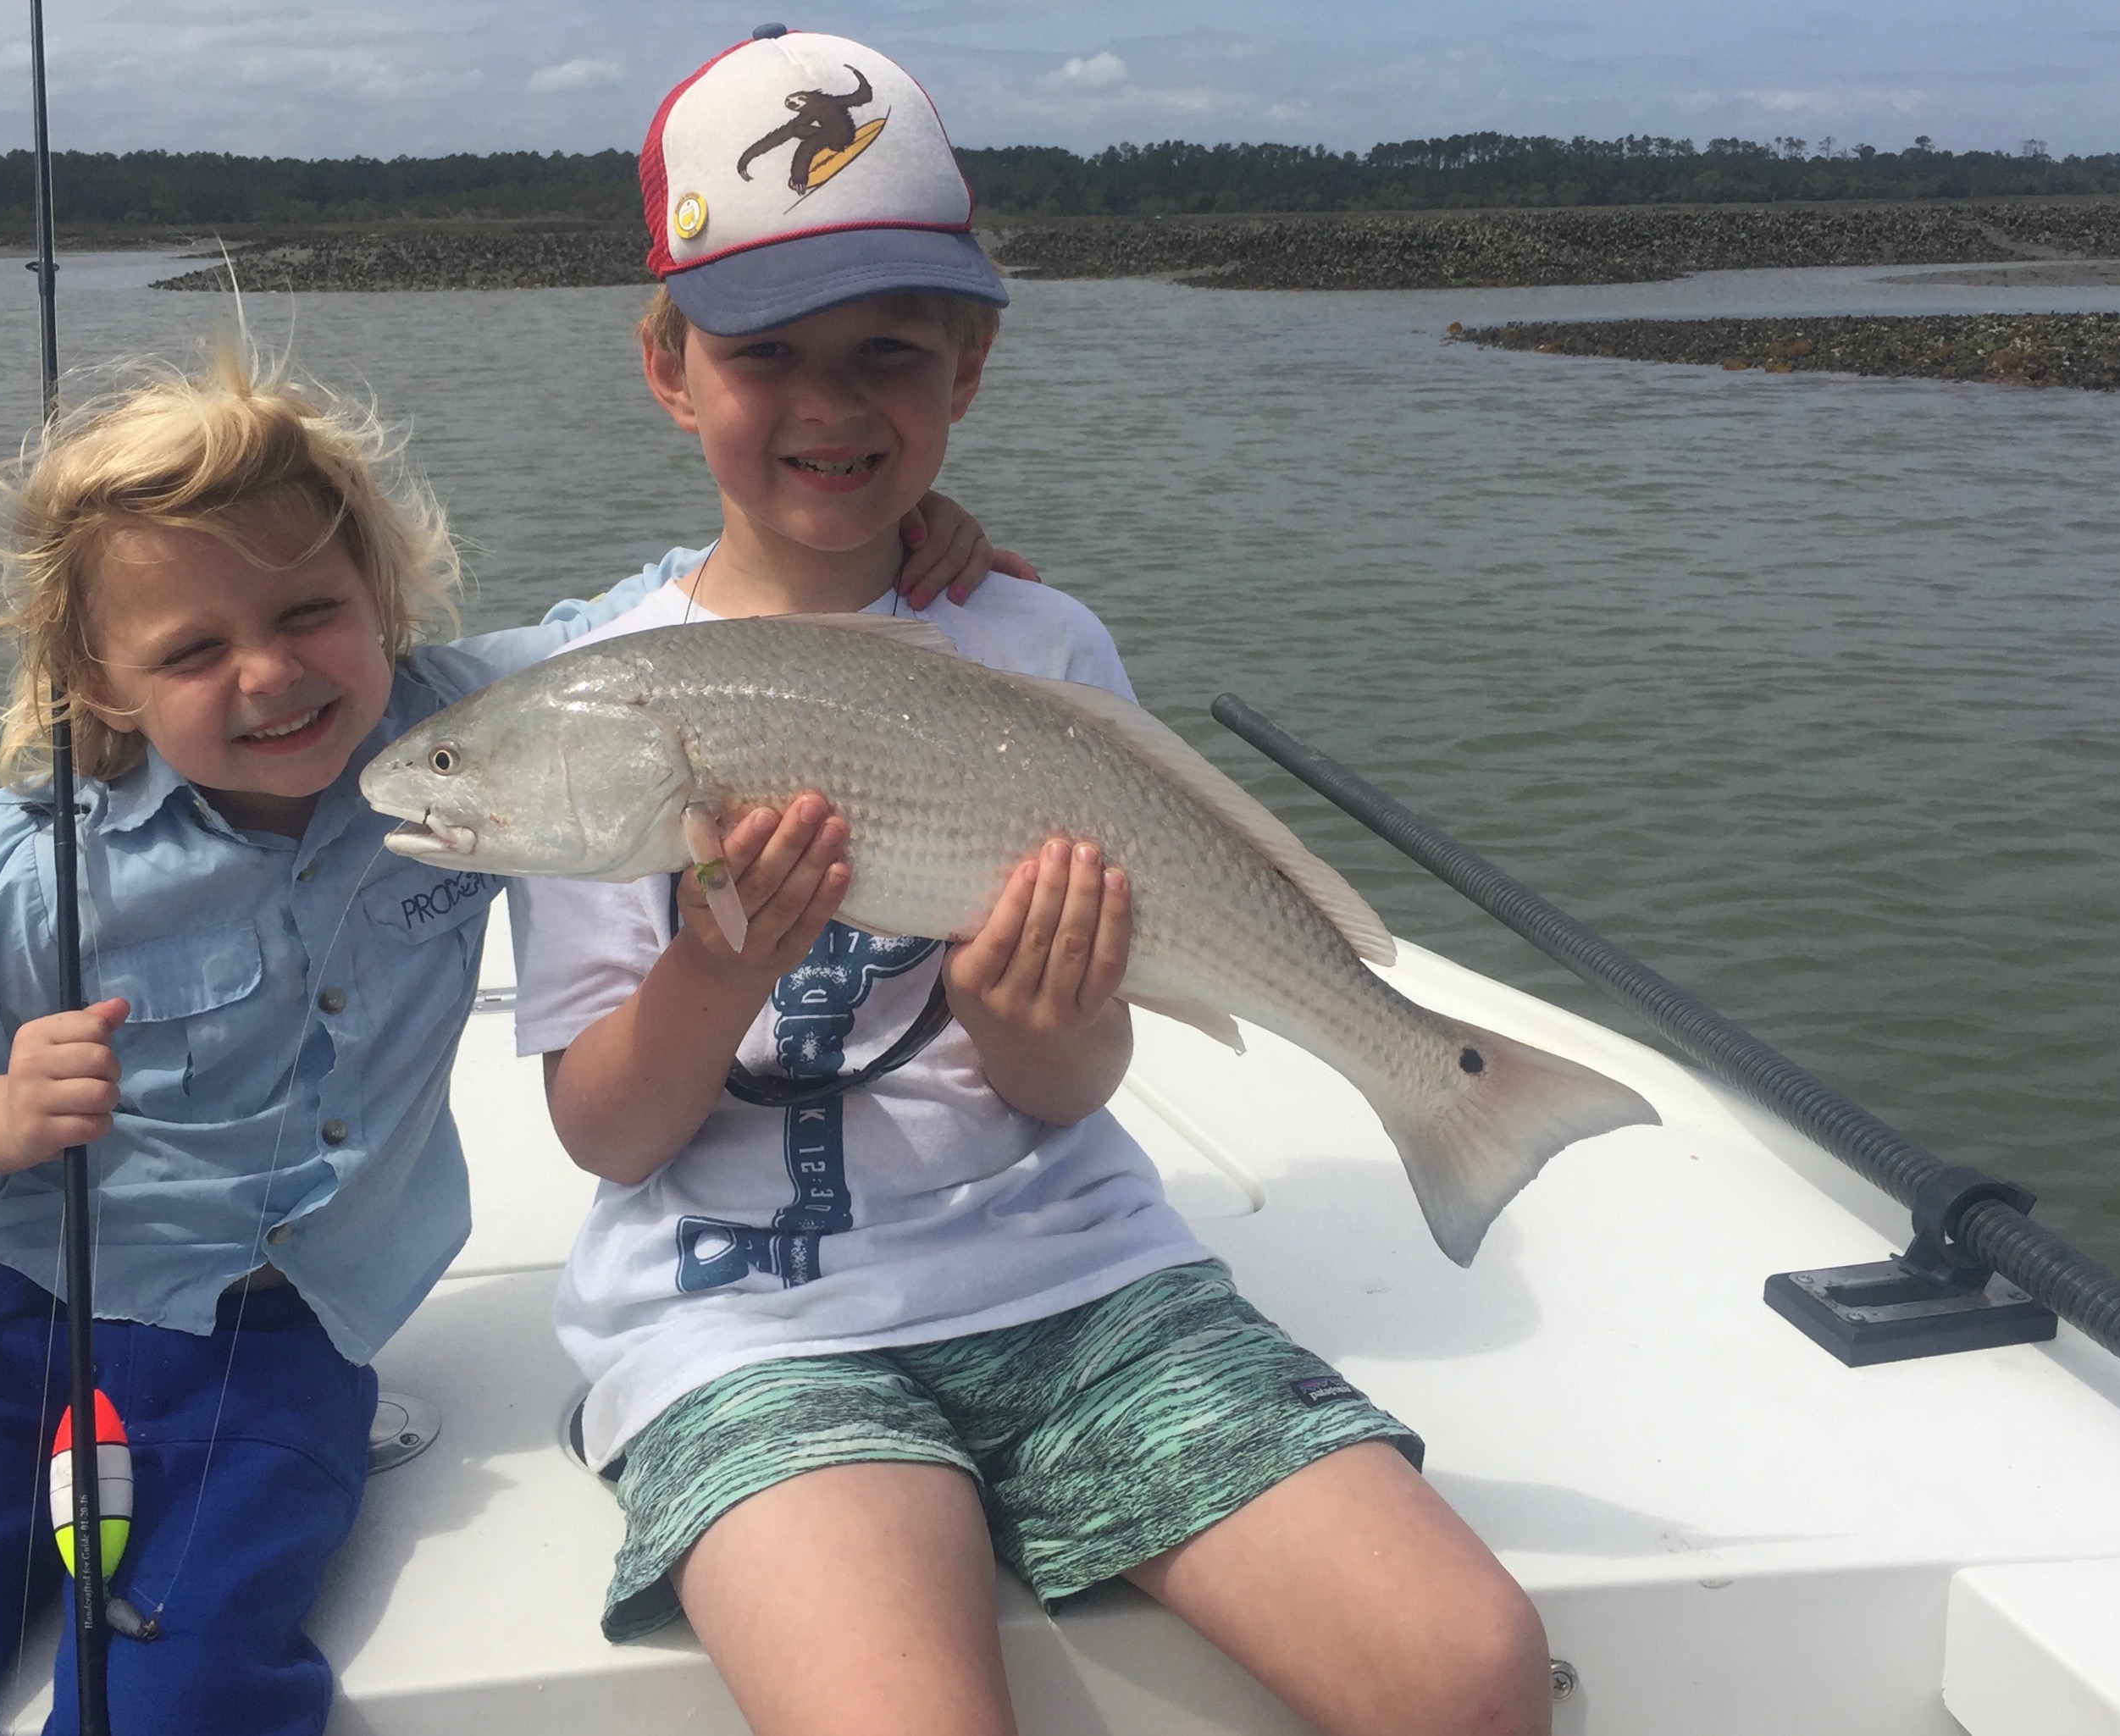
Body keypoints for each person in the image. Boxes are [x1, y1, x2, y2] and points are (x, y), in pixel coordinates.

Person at [0, 341, 1022, 1736]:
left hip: (279, 1354)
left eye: (310, 610)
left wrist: (904, 543)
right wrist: (1, 1115)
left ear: (382, 600)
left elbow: (678, 614)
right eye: (193, 650)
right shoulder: (42, 860)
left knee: (192, 1690)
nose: (270, 673)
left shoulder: (484, 729)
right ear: (101, 685)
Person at [510, 28, 1553, 1736]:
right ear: (667, 367)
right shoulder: (593, 705)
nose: (834, 402)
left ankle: (1447, 1092)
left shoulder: (1038, 638)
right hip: (742, 1325)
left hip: (1077, 1278)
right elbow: (608, 1136)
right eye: (765, 350)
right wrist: (714, 961)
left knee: (1469, 1667)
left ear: (966, 373)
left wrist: (1036, 1016)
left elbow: (1072, 1085)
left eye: (889, 350)